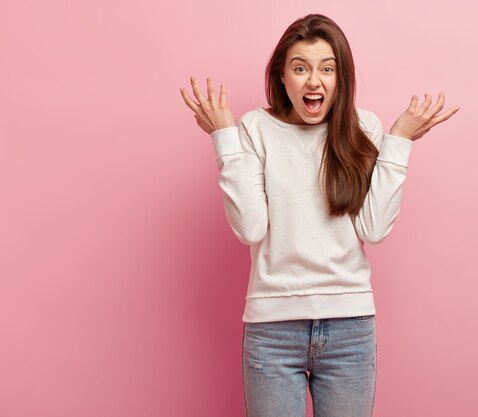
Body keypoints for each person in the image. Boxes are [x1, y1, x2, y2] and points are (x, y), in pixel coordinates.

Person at [180, 13, 459, 417]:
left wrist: (398, 142)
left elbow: (374, 228)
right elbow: (251, 227)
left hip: (350, 330)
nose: (314, 81)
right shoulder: (256, 128)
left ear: (341, 77)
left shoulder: (362, 127)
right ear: (281, 77)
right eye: (300, 68)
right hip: (272, 331)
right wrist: (224, 138)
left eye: (327, 68)